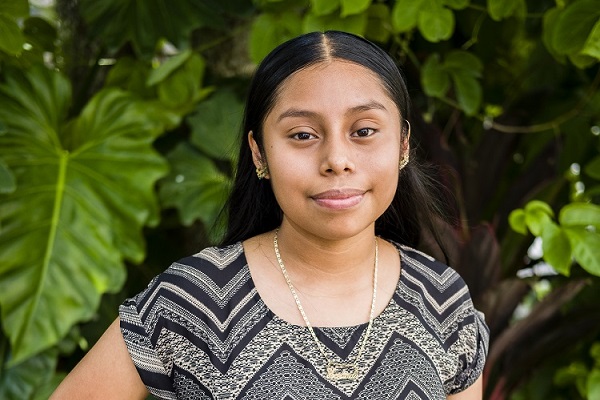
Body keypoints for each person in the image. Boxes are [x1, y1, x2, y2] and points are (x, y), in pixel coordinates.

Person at [51, 30, 489, 399]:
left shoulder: (442, 300)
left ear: (404, 145)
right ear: (259, 153)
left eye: (364, 131)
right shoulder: (191, 302)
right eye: (302, 134)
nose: (337, 159)